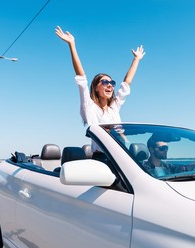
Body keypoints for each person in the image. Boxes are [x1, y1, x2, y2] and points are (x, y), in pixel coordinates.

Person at [55, 26, 145, 154]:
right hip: (101, 159)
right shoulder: (89, 107)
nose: (110, 85)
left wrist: (136, 59)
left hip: (120, 157)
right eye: (105, 82)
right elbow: (81, 78)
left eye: (112, 83)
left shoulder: (114, 108)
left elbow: (126, 83)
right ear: (96, 88)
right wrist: (72, 44)